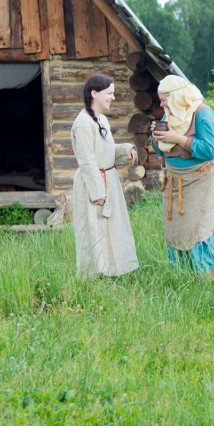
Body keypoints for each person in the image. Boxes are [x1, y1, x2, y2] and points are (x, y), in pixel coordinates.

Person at [150, 75, 214, 281]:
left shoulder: (203, 115)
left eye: (164, 98)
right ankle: (181, 278)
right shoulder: (170, 115)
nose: (162, 103)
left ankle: (208, 279)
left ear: (177, 96)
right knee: (175, 229)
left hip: (201, 177)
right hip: (175, 179)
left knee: (196, 228)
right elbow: (162, 150)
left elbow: (210, 150)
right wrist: (156, 138)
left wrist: (178, 139)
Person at [71, 74, 140, 278]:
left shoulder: (101, 119)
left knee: (112, 228)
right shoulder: (83, 123)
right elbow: (87, 160)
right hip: (93, 183)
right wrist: (97, 191)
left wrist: (125, 149)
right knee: (93, 229)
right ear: (94, 94)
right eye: (109, 93)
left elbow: (104, 151)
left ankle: (112, 270)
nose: (113, 97)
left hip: (108, 180)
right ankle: (93, 275)